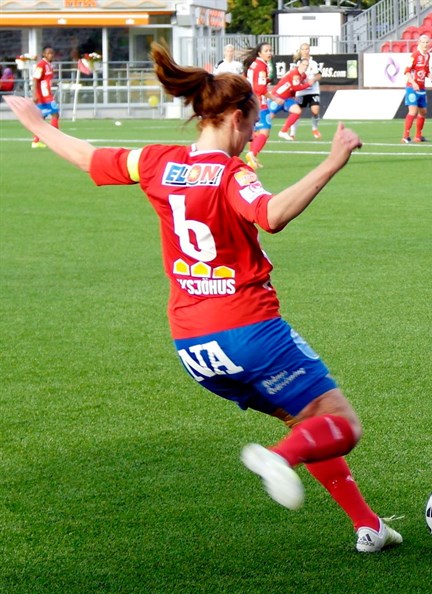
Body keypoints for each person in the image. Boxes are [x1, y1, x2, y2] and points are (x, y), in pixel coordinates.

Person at [2, 42, 403, 553]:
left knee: (306, 419)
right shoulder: (233, 174)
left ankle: (368, 526)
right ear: (236, 117)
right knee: (342, 425)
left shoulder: (155, 161)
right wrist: (332, 162)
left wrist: (38, 125)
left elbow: (88, 158)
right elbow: (272, 215)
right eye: (252, 124)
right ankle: (279, 457)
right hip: (250, 331)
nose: (251, 135)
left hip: (193, 347)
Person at [268, 58, 320, 141]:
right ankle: (254, 131)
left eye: (307, 65)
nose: (305, 67)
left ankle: (283, 131)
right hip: (278, 96)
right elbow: (296, 87)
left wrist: (293, 95)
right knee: (269, 116)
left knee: (297, 111)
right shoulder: (295, 74)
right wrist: (308, 84)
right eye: (303, 64)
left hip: (287, 98)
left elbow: (293, 87)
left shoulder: (302, 75)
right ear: (299, 65)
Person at [243, 43, 273, 170]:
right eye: (266, 51)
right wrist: (275, 98)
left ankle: (252, 161)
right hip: (260, 102)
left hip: (250, 101)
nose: (269, 53)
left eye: (270, 50)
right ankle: (252, 154)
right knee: (265, 132)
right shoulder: (261, 67)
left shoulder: (254, 64)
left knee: (256, 132)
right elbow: (260, 89)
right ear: (260, 53)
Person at [402, 35, 432, 143]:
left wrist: (429, 75)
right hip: (412, 87)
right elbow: (407, 71)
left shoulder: (428, 55)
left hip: (422, 88)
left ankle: (418, 136)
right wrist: (413, 82)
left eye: (427, 42)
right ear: (419, 43)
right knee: (413, 111)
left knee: (423, 112)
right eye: (423, 42)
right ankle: (405, 136)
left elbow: (426, 70)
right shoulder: (414, 55)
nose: (425, 44)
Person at [291, 43, 323, 141]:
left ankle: (314, 128)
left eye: (307, 49)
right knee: (297, 112)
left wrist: (313, 79)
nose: (305, 51)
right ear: (300, 51)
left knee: (315, 111)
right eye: (303, 49)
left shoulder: (313, 63)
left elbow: (319, 75)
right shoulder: (296, 63)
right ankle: (292, 133)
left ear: (309, 50)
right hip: (301, 92)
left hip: (313, 91)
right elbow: (292, 75)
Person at [31, 46, 59, 149]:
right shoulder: (41, 64)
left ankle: (36, 141)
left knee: (42, 118)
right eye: (48, 53)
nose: (51, 55)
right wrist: (34, 95)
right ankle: (54, 139)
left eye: (52, 53)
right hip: (43, 96)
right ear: (44, 54)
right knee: (55, 114)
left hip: (47, 94)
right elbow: (35, 79)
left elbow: (45, 80)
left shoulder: (49, 65)